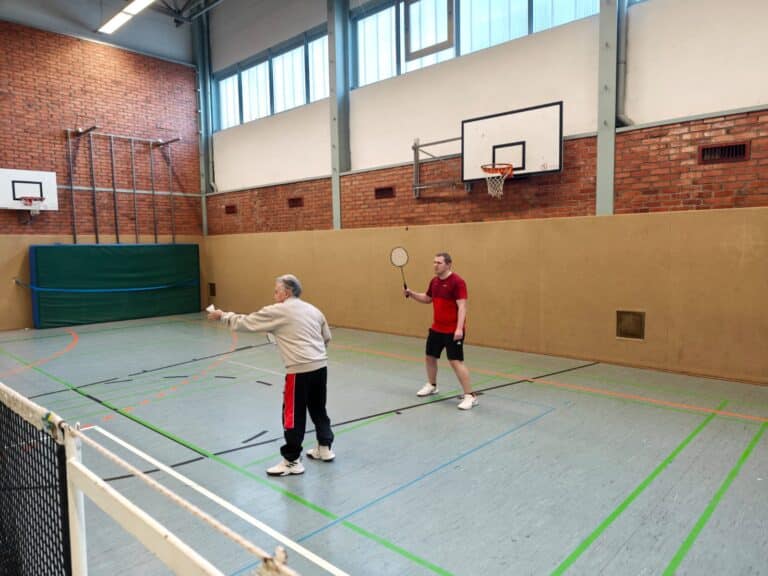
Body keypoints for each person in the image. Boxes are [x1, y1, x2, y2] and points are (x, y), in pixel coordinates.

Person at [208, 274, 335, 476]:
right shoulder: (313, 310)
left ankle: (292, 461)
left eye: (276, 291)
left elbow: (246, 322)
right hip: (321, 368)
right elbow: (326, 337)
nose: (274, 295)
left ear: (287, 292)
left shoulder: (278, 310)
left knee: (292, 416)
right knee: (318, 408)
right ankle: (324, 447)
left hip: (298, 371)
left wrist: (223, 316)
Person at [404, 252, 478, 410]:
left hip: (452, 330)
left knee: (455, 361)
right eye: (434, 262)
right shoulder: (435, 281)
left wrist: (459, 328)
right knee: (430, 357)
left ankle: (470, 396)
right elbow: (427, 298)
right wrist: (412, 294)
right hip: (437, 328)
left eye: (439, 263)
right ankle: (432, 385)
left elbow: (462, 306)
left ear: (448, 264)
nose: (435, 265)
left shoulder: (457, 282)